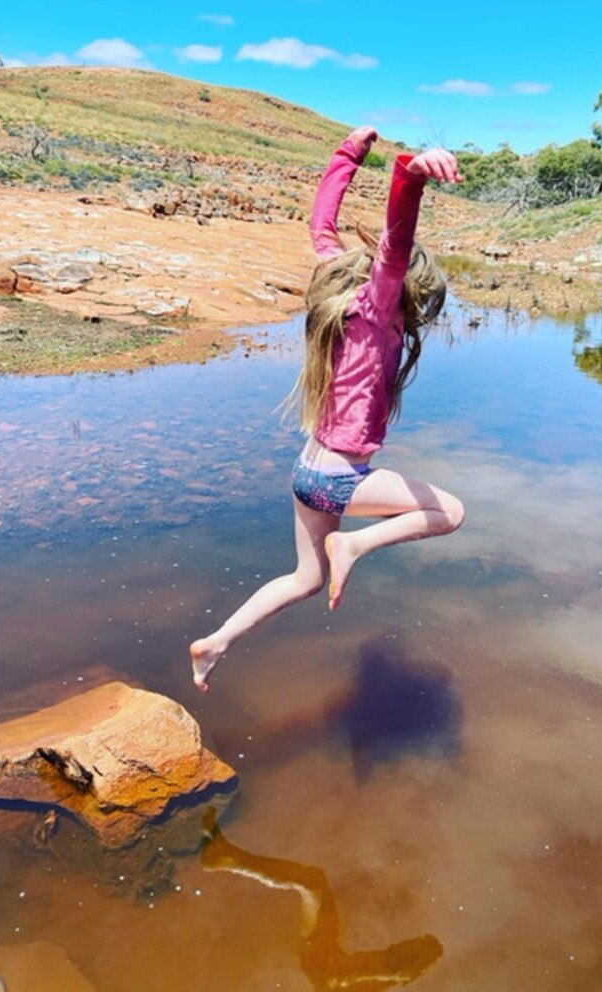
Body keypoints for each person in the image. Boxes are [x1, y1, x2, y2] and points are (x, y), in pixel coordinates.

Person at [191, 126, 465, 691]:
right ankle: (356, 544)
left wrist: (347, 153)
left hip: (308, 471)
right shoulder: (376, 306)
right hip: (339, 479)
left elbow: (322, 226)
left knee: (305, 579)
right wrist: (408, 175)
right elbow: (395, 239)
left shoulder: (338, 291)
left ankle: (215, 642)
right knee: (451, 514)